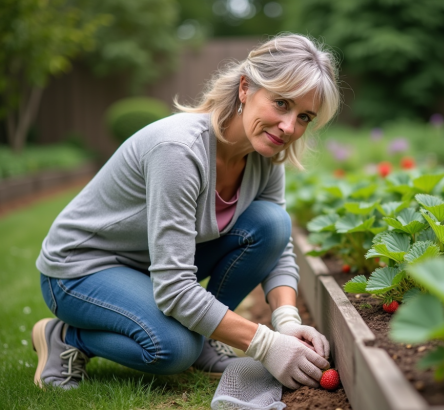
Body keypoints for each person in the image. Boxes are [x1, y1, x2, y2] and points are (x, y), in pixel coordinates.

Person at [32, 33, 340, 391]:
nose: (289, 128)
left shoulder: (265, 155)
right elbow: (175, 287)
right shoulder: (179, 151)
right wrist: (264, 343)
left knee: (272, 224)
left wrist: (286, 321)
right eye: (281, 103)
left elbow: (278, 247)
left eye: (304, 116)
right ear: (245, 88)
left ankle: (205, 338)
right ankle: (68, 337)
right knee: (173, 349)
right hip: (80, 270)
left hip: (151, 265)